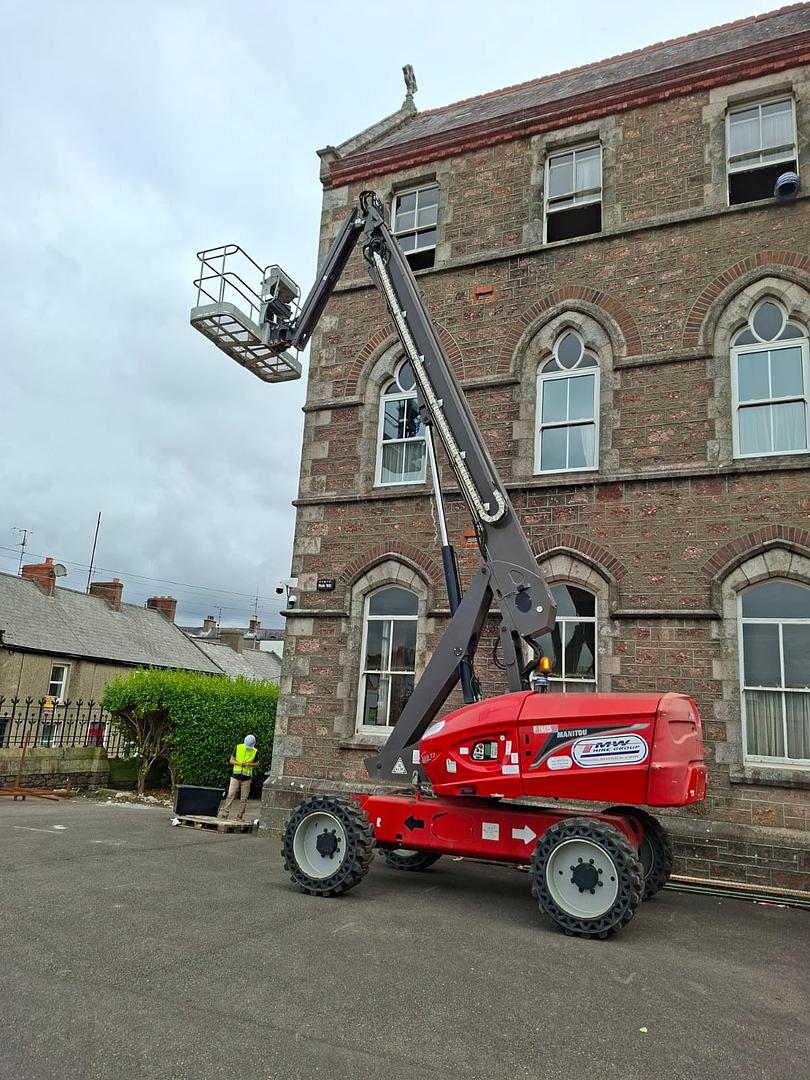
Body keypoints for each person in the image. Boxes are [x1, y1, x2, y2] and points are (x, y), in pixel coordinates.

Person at [219, 734, 259, 821]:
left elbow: (257, 764)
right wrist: (239, 763)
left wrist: (249, 764)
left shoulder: (255, 751)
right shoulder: (238, 747)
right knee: (230, 795)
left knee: (244, 798)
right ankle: (225, 814)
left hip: (246, 778)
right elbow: (231, 760)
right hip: (235, 776)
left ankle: (239, 817)